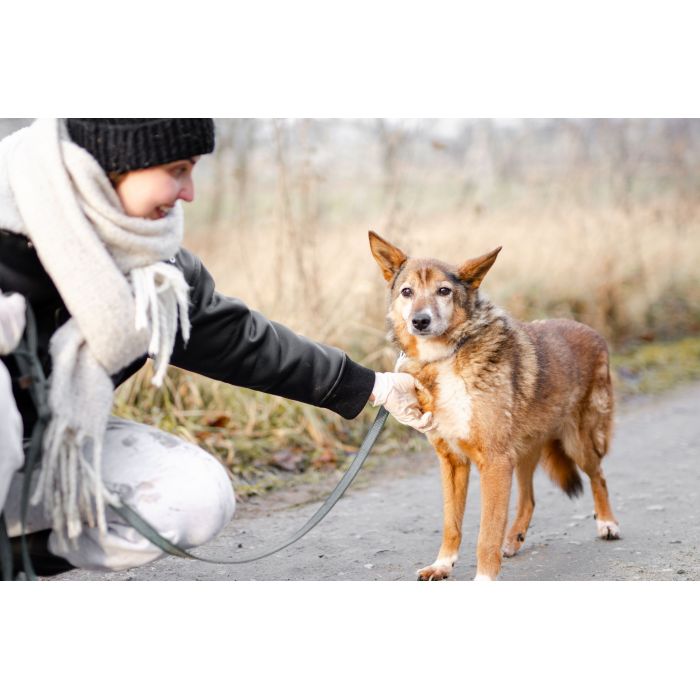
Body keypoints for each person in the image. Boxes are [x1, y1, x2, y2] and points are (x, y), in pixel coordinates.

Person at [0, 118, 434, 577]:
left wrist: (374, 386)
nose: (189, 193)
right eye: (177, 170)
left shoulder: (151, 261)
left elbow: (234, 339)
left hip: (48, 444)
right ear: (116, 163)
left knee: (194, 498)